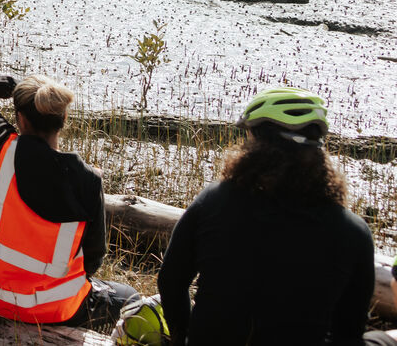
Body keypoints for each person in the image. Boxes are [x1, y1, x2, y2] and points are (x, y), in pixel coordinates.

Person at [159, 86, 374, 346]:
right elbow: (350, 330)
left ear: (256, 141)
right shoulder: (353, 231)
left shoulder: (213, 201)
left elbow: (171, 282)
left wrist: (183, 337)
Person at [0, 73, 138, 332]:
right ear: (63, 119)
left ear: (21, 119)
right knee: (129, 297)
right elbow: (93, 258)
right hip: (52, 311)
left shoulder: (0, 148)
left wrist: (17, 86)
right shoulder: (88, 181)